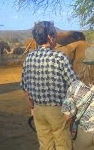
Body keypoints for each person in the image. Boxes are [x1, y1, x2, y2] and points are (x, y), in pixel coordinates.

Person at [21, 21, 78, 150]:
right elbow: (74, 85)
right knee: (63, 144)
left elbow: (24, 86)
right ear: (49, 37)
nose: (56, 38)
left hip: (38, 110)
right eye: (54, 35)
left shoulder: (29, 57)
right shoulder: (60, 57)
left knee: (45, 144)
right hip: (58, 110)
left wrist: (31, 104)